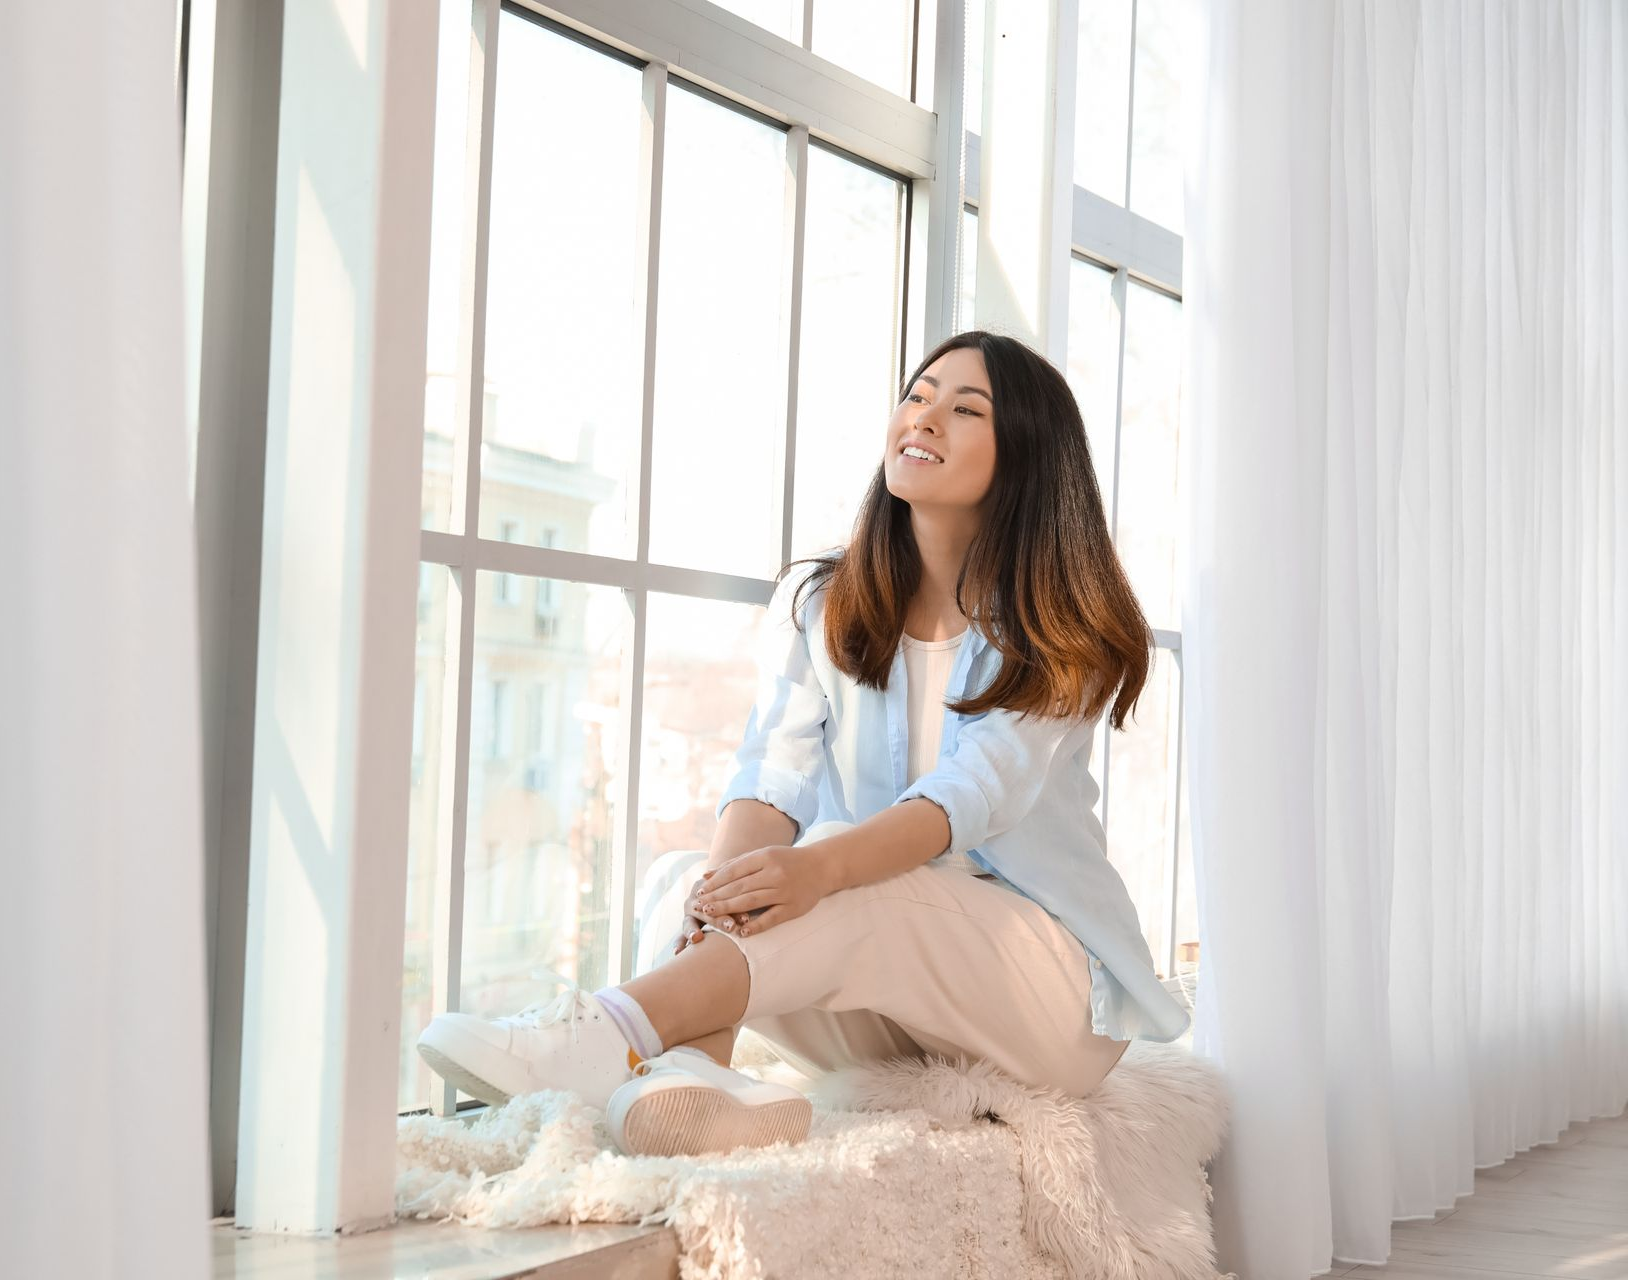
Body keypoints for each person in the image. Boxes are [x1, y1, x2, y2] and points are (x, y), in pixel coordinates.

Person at [417, 329, 1192, 1158]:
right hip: (884, 1009)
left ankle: (610, 1030)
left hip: (1041, 1009)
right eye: (918, 395)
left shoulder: (1057, 625)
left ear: (1027, 459)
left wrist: (814, 868)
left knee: (850, 869)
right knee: (684, 879)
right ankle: (695, 1076)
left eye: (965, 409)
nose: (924, 418)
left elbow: (973, 794)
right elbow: (771, 775)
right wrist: (721, 894)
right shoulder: (822, 600)